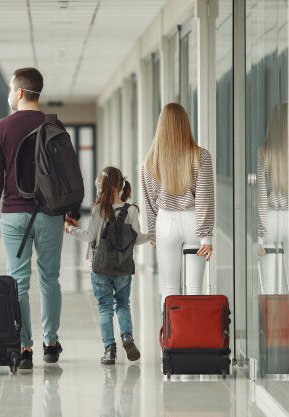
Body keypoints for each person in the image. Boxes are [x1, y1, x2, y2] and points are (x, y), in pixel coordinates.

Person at [0, 67, 79, 370]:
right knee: (49, 279)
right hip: (50, 215)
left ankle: (24, 347)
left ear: (18, 92)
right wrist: (71, 211)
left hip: (14, 215)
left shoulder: (1, 128)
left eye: (10, 88)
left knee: (18, 282)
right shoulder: (54, 124)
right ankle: (50, 343)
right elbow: (67, 173)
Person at [64, 167, 150, 364]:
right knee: (122, 304)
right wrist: (153, 237)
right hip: (123, 268)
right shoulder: (132, 210)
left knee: (105, 307)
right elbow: (136, 239)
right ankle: (127, 336)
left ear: (102, 187)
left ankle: (109, 349)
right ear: (120, 186)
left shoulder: (98, 209)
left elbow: (88, 236)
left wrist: (70, 230)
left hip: (101, 267)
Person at [141, 103, 215, 305]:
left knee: (169, 289)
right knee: (195, 288)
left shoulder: (149, 161)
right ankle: (196, 334)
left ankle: (171, 335)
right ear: (186, 124)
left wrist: (154, 233)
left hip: (165, 222)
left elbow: (150, 202)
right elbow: (204, 198)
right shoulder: (201, 156)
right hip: (194, 221)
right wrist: (206, 236)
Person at [257, 103, 289, 294]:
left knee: (269, 285)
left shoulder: (263, 153)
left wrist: (259, 234)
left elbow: (261, 195)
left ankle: (271, 323)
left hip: (270, 220)